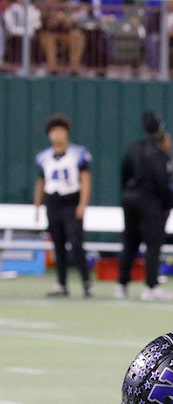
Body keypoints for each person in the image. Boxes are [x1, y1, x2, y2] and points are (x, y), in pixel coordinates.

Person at [116, 111, 173, 301]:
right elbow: (162, 182)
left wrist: (127, 194)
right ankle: (151, 286)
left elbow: (123, 173)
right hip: (151, 202)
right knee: (153, 244)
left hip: (130, 199)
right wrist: (167, 205)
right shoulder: (160, 153)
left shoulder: (132, 147)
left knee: (130, 242)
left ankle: (121, 285)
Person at [33, 114, 93, 298]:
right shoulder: (44, 157)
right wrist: (37, 205)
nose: (57, 135)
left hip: (71, 201)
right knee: (57, 244)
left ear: (66, 133)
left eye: (60, 131)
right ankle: (61, 283)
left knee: (76, 244)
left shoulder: (78, 154)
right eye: (53, 132)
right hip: (54, 201)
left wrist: (82, 204)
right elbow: (41, 181)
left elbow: (85, 179)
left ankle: (86, 283)